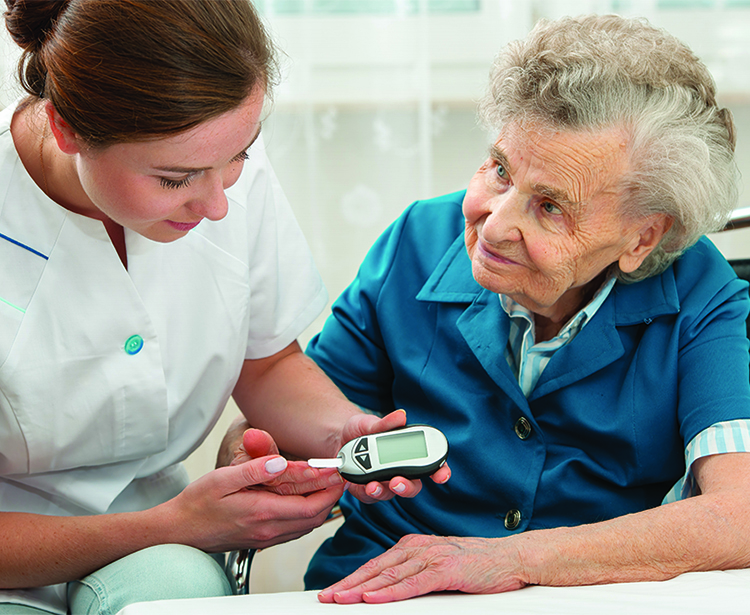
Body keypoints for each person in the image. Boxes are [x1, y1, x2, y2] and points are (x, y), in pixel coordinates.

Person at [0, 1, 448, 614]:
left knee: (180, 595)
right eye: (175, 179)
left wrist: (346, 432)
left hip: (158, 550)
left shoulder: (216, 157)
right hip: (17, 553)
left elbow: (264, 362)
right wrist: (175, 524)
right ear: (66, 129)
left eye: (239, 155)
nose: (216, 205)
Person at [298, 14, 750, 604]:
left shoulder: (701, 292)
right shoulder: (415, 241)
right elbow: (307, 420)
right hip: (382, 588)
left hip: (583, 597)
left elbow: (738, 513)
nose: (496, 223)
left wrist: (510, 560)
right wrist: (257, 453)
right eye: (501, 170)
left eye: (552, 207)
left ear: (642, 238)